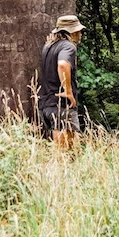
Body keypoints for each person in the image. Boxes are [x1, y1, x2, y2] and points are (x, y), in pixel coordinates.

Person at [38, 14, 85, 148]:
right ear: (73, 32)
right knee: (66, 155)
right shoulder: (68, 46)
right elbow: (63, 64)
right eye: (79, 31)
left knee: (65, 153)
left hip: (47, 105)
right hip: (62, 106)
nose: (80, 34)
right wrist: (68, 91)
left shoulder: (48, 47)